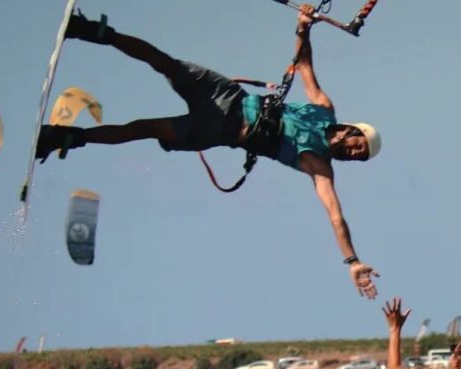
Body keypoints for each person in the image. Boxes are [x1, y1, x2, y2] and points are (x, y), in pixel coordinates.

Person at [36, 5, 380, 298]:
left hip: (218, 132)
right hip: (226, 96)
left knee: (142, 128)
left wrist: (352, 261)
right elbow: (305, 66)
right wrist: (303, 28)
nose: (354, 154)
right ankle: (91, 31)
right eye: (359, 146)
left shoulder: (319, 165)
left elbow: (335, 215)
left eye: (359, 157)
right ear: (354, 130)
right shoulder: (323, 109)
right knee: (166, 63)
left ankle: (63, 137)